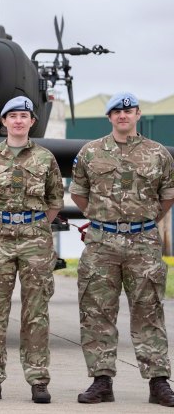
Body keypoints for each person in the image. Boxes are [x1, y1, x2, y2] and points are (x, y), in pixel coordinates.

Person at [71, 91, 174, 407]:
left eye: (128, 111)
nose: (123, 115)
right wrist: (105, 220)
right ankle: (101, 382)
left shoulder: (158, 154)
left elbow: (167, 196)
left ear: (138, 114)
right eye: (117, 111)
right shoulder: (90, 152)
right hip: (102, 243)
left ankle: (159, 383)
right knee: (97, 312)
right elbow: (79, 194)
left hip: (142, 243)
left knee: (149, 311)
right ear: (109, 117)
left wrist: (141, 222)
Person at [0, 96, 63, 404]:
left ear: (32, 121)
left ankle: (38, 378)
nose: (19, 120)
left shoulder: (46, 158)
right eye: (13, 116)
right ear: (4, 121)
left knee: (36, 311)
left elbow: (55, 200)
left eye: (24, 115)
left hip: (35, 239)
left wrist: (34, 224)